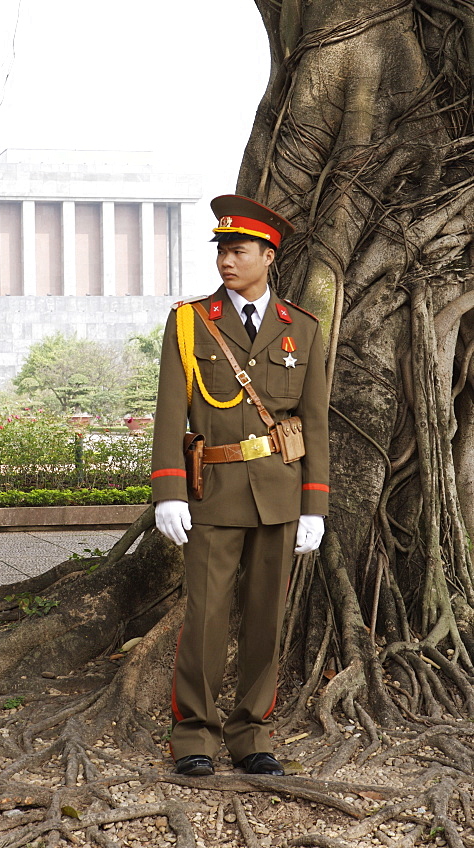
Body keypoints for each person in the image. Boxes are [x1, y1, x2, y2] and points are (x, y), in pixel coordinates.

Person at [151, 193, 329, 778]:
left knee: (264, 621)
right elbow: (170, 413)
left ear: (268, 256)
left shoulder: (300, 328)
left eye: (239, 250)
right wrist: (169, 491)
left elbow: (316, 419)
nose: (227, 260)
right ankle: (193, 737)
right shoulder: (191, 322)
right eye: (222, 250)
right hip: (214, 491)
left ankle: (252, 733)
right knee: (203, 618)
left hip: (280, 493)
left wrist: (315, 505)